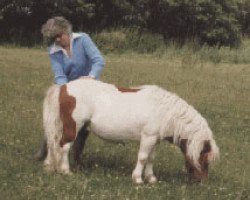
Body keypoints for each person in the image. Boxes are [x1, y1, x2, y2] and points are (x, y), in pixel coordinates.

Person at [35, 16, 105, 165]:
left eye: (58, 36)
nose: (57, 40)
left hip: (88, 86)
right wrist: (66, 93)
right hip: (67, 87)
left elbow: (98, 60)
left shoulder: (83, 39)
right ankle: (46, 147)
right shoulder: (53, 51)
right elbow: (59, 74)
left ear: (66, 32)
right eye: (53, 38)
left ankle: (77, 157)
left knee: (84, 123)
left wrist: (91, 77)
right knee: (57, 118)